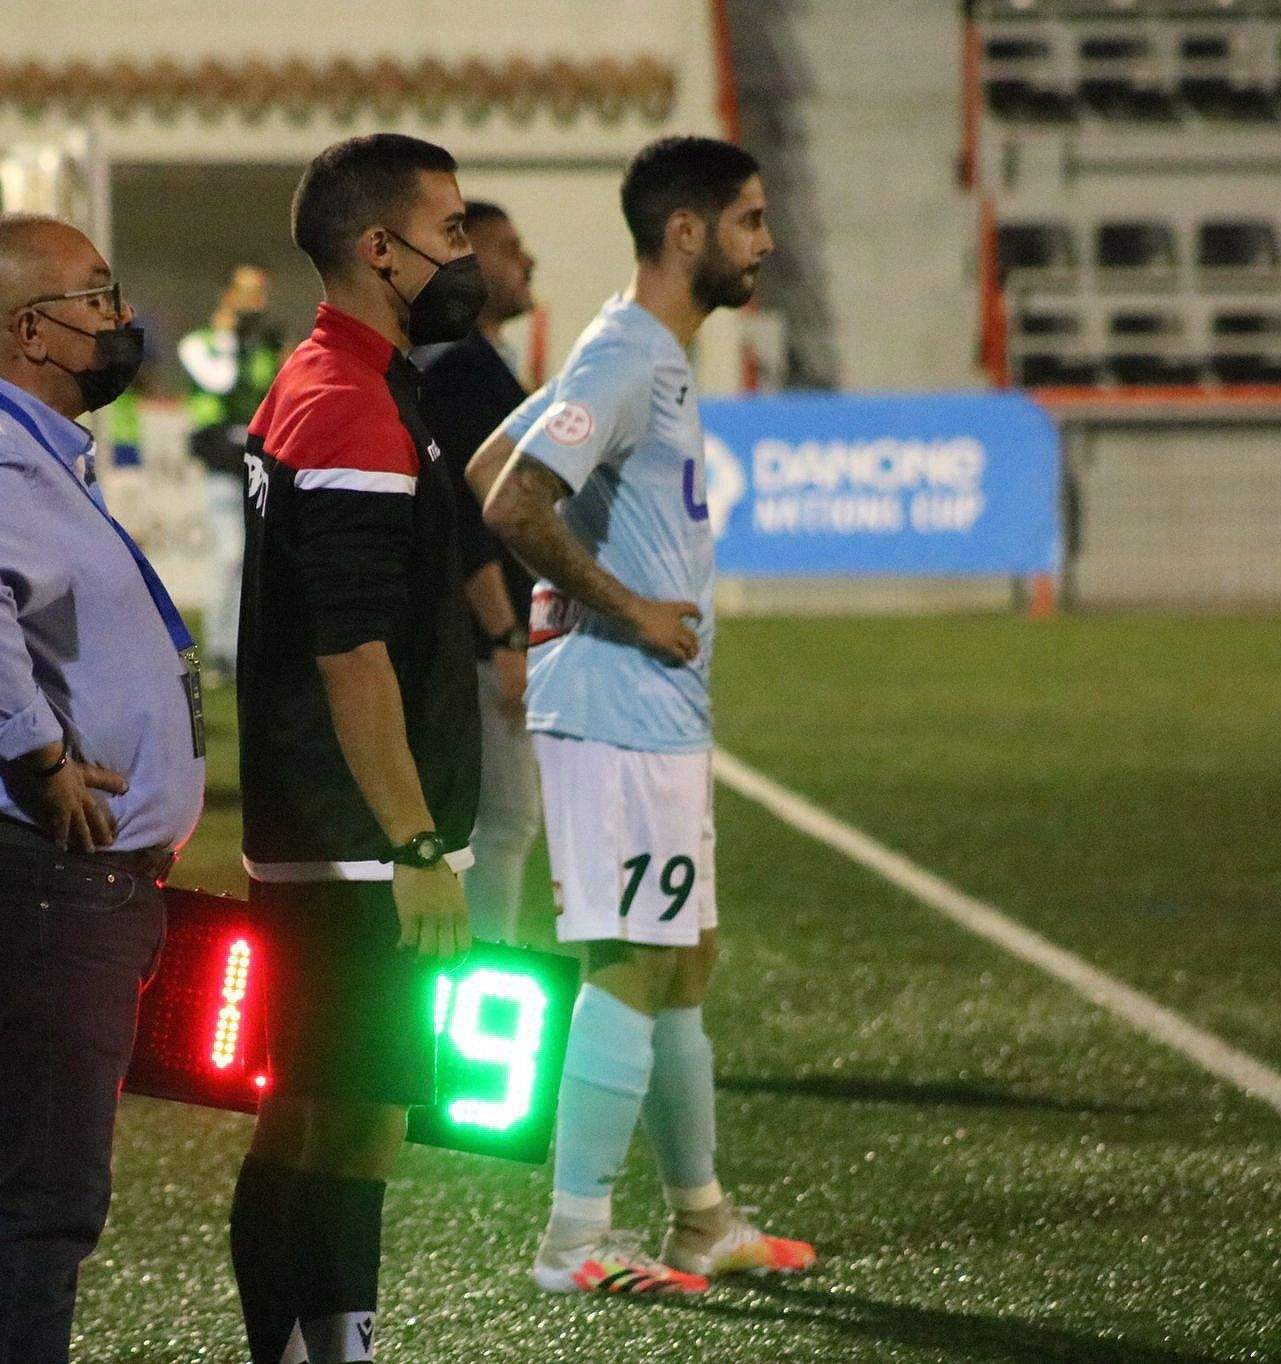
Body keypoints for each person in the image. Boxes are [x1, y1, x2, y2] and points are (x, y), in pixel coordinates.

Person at [470, 135, 816, 1296]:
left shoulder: (642, 352)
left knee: (683, 960)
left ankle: (698, 1218)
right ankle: (572, 1241)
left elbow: (484, 464)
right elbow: (515, 500)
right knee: (627, 960)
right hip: (614, 710)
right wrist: (622, 607)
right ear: (687, 233)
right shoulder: (625, 352)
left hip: (656, 714)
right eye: (750, 221)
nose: (765, 242)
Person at [0, 211, 204, 1364]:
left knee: (10, 1197)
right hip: (37, 880)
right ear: (33, 330)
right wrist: (37, 754)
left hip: (32, 881)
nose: (122, 317)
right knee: (43, 1204)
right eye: (100, 295)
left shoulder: (7, 443)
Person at [230, 133, 485, 1364]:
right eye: (448, 228)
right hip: (355, 844)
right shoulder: (345, 400)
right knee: (361, 1126)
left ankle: (283, 1349)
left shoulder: (329, 375)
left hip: (317, 832)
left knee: (304, 1117)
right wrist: (414, 840)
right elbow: (351, 651)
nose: (465, 250)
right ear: (378, 247)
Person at [416, 200, 539, 944]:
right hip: (483, 639)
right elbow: (469, 511)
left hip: (487, 636)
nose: (528, 264)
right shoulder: (464, 371)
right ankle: (482, 974)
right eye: (510, 247)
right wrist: (502, 633)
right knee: (503, 820)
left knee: (503, 819)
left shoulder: (481, 363)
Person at [178, 263, 283, 678]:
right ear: (227, 295)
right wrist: (234, 340)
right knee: (230, 555)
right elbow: (219, 381)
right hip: (221, 464)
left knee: (254, 558)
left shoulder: (261, 348)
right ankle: (223, 651)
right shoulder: (199, 343)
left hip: (256, 465)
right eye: (248, 291)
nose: (257, 301)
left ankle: (243, 650)